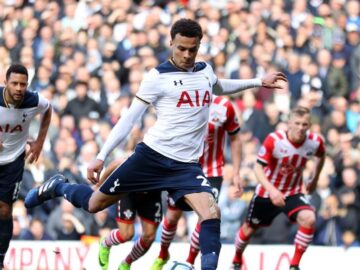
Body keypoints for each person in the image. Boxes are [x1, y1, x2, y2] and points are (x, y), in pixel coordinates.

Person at [24, 18, 286, 270]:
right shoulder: (157, 76)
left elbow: (218, 87)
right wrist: (102, 155)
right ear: (171, 43)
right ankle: (58, 186)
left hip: (186, 167)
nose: (186, 54)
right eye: (181, 48)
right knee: (94, 204)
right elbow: (129, 119)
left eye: (192, 49)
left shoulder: (205, 70)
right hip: (150, 158)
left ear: (199, 46)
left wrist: (257, 81)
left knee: (211, 212)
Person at [151, 95, 242, 269]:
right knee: (172, 216)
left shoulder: (224, 106)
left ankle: (189, 261)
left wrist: (236, 172)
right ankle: (163, 253)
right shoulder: (182, 101)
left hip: (212, 171)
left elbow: (236, 138)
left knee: (208, 213)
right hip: (185, 168)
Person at [230, 106, 326, 270]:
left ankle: (294, 265)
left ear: (309, 125)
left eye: (305, 124)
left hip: (292, 192)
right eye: (297, 123)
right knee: (248, 229)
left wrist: (315, 178)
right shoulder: (274, 140)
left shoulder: (315, 142)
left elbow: (321, 156)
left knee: (309, 218)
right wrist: (272, 190)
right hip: (267, 192)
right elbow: (258, 168)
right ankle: (236, 259)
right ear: (289, 123)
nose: (301, 128)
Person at [0, 64, 52, 269]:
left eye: (23, 84)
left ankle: (1, 258)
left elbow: (48, 110)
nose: (19, 88)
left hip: (13, 161)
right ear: (5, 83)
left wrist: (40, 141)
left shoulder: (34, 100)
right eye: (14, 83)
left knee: (4, 211)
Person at [97, 159, 163, 270]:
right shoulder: (140, 153)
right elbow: (116, 163)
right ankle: (105, 243)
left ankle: (127, 263)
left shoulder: (167, 153)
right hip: (128, 191)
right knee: (126, 235)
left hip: (151, 193)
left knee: (149, 237)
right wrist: (100, 185)